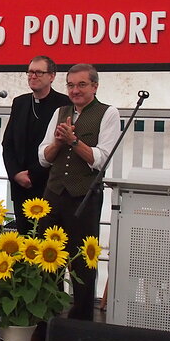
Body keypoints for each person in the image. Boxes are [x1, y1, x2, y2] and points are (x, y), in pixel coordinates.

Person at [38, 63, 120, 320]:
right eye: (71, 85)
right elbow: (43, 157)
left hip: (84, 197)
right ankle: (47, 319)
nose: (75, 90)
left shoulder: (108, 113)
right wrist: (58, 143)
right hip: (53, 195)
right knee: (47, 260)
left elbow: (101, 159)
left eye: (81, 85)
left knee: (83, 263)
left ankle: (81, 322)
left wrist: (74, 141)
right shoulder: (60, 112)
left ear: (95, 86)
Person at [2, 56, 70, 234]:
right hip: (20, 186)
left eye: (39, 72)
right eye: (30, 72)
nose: (33, 76)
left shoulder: (64, 104)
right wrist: (15, 173)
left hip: (47, 185)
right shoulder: (20, 102)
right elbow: (7, 144)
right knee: (25, 242)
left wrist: (31, 174)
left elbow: (60, 147)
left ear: (52, 76)